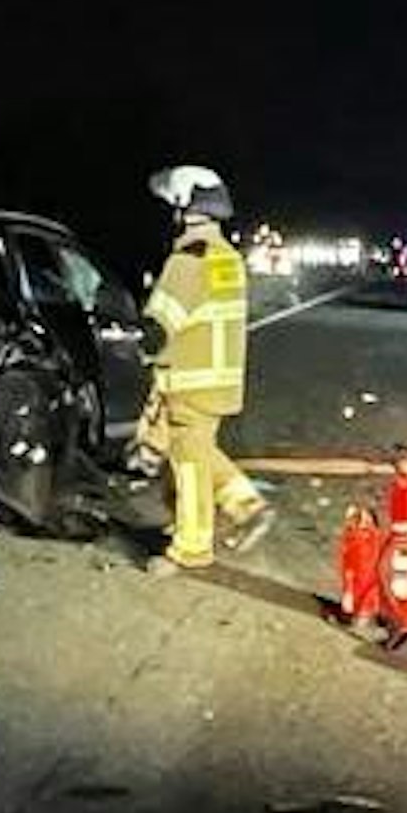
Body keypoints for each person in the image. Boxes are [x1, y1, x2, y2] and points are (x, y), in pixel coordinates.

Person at [140, 164, 271, 574]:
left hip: (189, 381)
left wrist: (132, 346)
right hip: (219, 379)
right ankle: (245, 507)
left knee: (189, 462)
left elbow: (158, 329)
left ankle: (192, 548)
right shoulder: (226, 257)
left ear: (184, 207)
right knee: (196, 452)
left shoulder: (188, 260)